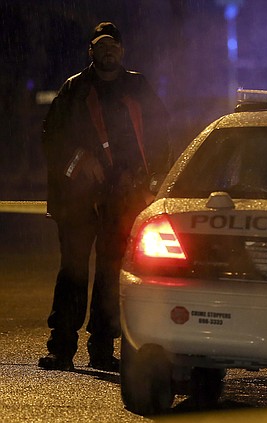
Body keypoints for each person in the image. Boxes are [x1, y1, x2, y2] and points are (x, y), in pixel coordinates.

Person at [38, 22, 172, 372]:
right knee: (73, 271)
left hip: (122, 198)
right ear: (91, 52)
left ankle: (102, 348)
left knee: (111, 272)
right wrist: (82, 160)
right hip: (79, 200)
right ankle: (62, 348)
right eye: (101, 46)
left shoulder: (137, 87)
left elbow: (161, 135)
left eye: (113, 45)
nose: (108, 51)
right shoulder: (75, 89)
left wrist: (148, 178)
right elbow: (52, 137)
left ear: (122, 50)